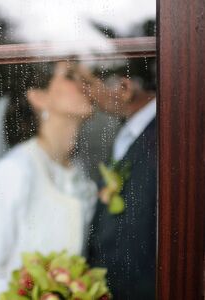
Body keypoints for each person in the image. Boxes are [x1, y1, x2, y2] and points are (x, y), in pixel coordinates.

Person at [0, 62, 98, 299]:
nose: (86, 83)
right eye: (70, 76)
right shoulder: (13, 172)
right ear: (38, 97)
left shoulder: (80, 174)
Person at [86, 58, 157, 299]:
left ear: (124, 88)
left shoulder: (162, 139)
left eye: (89, 84)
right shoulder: (133, 132)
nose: (89, 95)